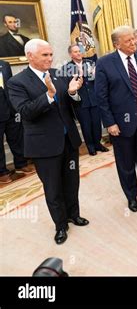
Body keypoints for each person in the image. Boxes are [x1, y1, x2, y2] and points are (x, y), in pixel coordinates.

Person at [8, 39, 89, 244]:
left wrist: (72, 93)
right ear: (30, 56)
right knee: (53, 188)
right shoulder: (17, 82)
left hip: (68, 139)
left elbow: (71, 106)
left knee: (72, 182)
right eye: (45, 55)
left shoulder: (58, 74)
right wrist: (49, 95)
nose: (50, 58)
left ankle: (73, 214)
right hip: (44, 146)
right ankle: (61, 226)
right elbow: (26, 112)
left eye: (51, 54)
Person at [95, 26, 137, 213]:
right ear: (117, 44)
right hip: (120, 123)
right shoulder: (105, 63)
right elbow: (101, 97)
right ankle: (131, 197)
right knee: (126, 162)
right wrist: (110, 123)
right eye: (128, 41)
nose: (134, 43)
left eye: (134, 39)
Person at [62, 45, 109, 155]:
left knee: (97, 123)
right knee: (86, 125)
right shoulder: (66, 68)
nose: (79, 53)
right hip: (80, 102)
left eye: (80, 51)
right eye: (76, 51)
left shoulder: (91, 63)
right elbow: (67, 86)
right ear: (71, 54)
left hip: (94, 99)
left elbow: (100, 80)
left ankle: (98, 144)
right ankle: (90, 146)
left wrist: (95, 74)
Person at [0, 59, 36, 183]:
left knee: (17, 138)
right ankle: (2, 172)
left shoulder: (4, 65)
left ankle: (21, 164)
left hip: (11, 110)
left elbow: (9, 87)